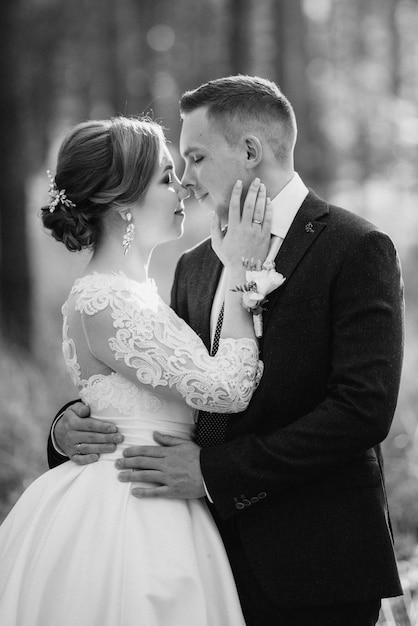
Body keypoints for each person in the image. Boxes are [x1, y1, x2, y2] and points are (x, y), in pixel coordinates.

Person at [49, 76, 404, 626]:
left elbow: (362, 410)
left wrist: (215, 474)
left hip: (316, 563)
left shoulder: (356, 248)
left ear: (250, 152)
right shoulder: (195, 263)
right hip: (202, 558)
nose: (186, 181)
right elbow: (159, 383)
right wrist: (69, 426)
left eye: (194, 157)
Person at [0, 115, 276, 625]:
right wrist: (242, 275)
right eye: (166, 178)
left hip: (165, 494)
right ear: (123, 201)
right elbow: (228, 388)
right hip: (131, 510)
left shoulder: (141, 295)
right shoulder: (103, 298)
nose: (182, 189)